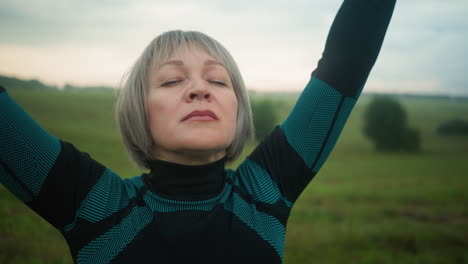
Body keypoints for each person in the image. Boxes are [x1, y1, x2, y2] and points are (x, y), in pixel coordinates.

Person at [0, 0, 396, 263]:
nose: (200, 88)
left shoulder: (265, 189)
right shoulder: (96, 206)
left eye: (219, 82)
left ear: (238, 111)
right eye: (172, 81)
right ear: (140, 111)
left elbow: (348, 59)